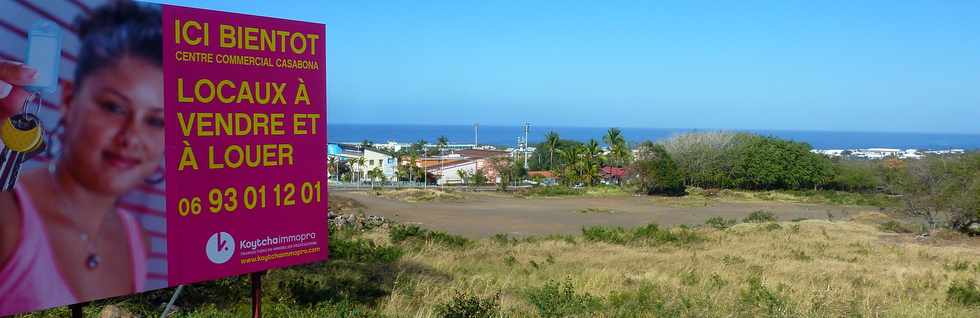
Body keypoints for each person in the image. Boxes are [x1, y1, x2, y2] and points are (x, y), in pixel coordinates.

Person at [0, 1, 163, 314]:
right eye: (114, 107)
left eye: (155, 120)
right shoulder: (10, 219)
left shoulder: (137, 239)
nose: (131, 136)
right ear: (69, 99)